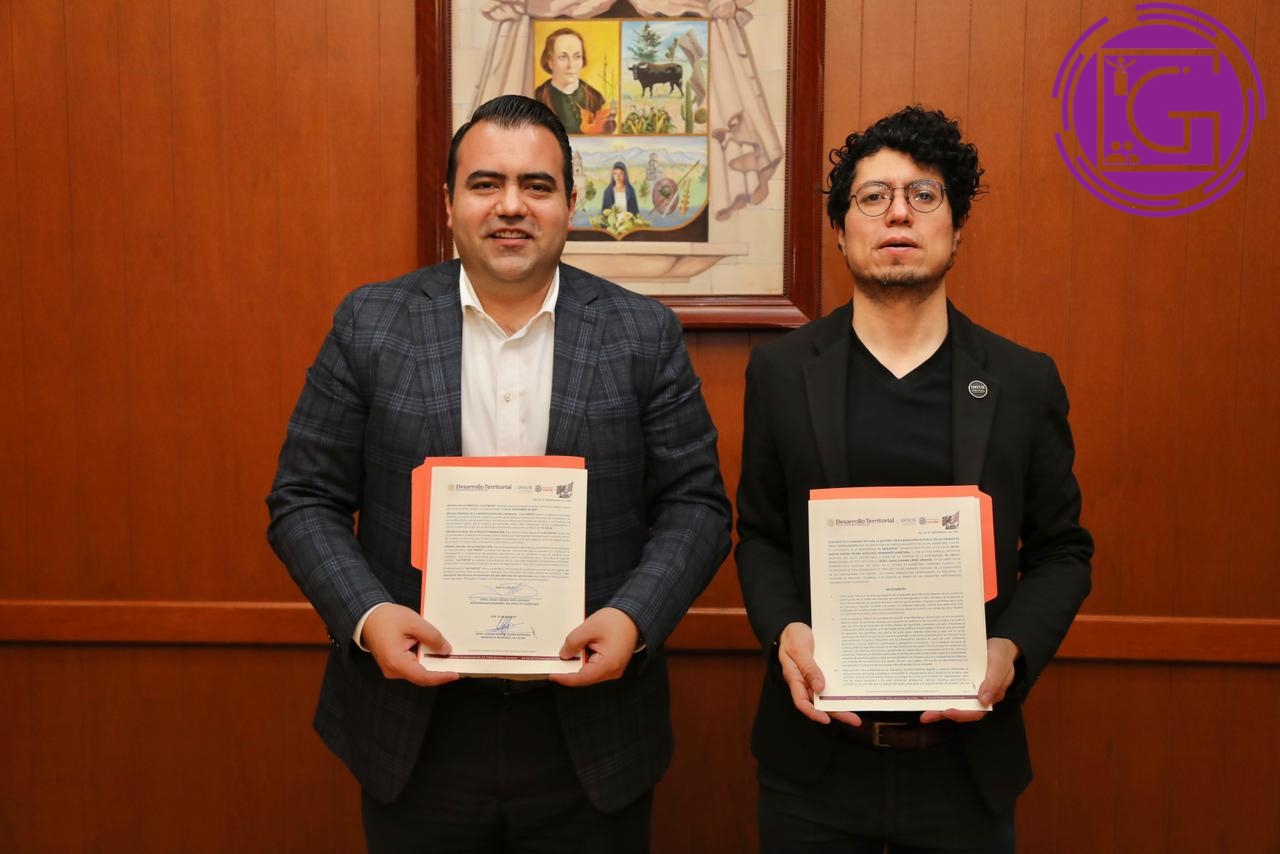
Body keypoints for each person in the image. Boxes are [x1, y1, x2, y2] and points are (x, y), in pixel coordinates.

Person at [267, 94, 731, 853]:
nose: (510, 206)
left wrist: (633, 619)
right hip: (414, 727)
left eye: (536, 186)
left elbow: (697, 506)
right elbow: (304, 499)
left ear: (572, 204)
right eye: (486, 184)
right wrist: (369, 616)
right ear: (449, 203)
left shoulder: (642, 333)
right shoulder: (370, 324)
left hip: (592, 730)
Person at [735, 105, 1093, 853]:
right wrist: (785, 632)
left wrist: (1011, 650)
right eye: (873, 196)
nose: (898, 212)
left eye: (923, 194)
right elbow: (761, 536)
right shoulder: (781, 373)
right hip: (813, 771)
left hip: (965, 770)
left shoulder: (1022, 381)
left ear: (956, 230)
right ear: (841, 232)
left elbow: (1063, 550)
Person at [533, 28, 610, 134]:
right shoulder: (537, 97)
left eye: (577, 56)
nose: (571, 65)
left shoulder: (596, 98)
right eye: (563, 57)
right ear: (550, 62)